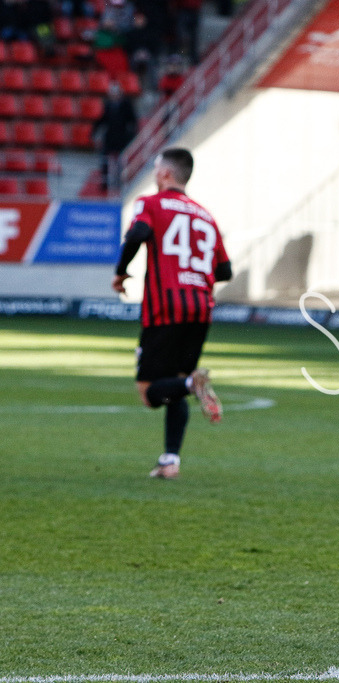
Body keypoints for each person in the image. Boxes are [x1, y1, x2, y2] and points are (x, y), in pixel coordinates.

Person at [111, 148, 232, 479]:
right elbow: (225, 269)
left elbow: (137, 233)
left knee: (150, 392)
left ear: (165, 174)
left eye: (155, 168)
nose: (153, 174)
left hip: (165, 307)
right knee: (175, 383)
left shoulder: (151, 203)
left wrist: (120, 272)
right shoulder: (206, 215)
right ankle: (170, 460)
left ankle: (194, 383)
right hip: (200, 308)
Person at [92, 81, 138, 193]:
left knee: (121, 161)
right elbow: (101, 120)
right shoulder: (108, 105)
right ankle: (105, 183)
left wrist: (131, 134)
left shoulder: (126, 105)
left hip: (122, 137)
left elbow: (132, 120)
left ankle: (119, 182)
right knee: (105, 160)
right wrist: (94, 132)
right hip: (110, 137)